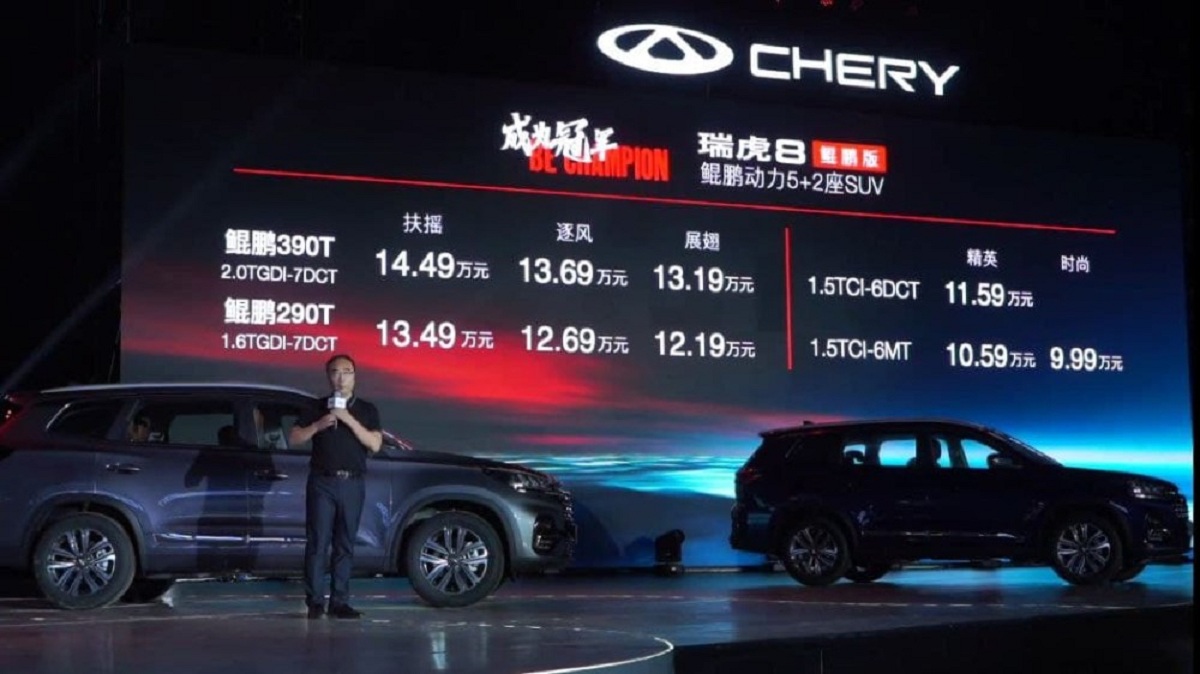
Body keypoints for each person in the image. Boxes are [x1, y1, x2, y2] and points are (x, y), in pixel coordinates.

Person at [289, 354, 383, 619]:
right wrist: (318, 425)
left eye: (346, 372)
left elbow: (375, 444)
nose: (341, 378)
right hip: (322, 482)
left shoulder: (366, 409)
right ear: (328, 376)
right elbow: (294, 437)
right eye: (335, 372)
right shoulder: (316, 407)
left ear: (354, 375)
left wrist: (347, 419)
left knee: (345, 544)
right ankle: (315, 602)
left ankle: (339, 602)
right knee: (318, 542)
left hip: (352, 483)